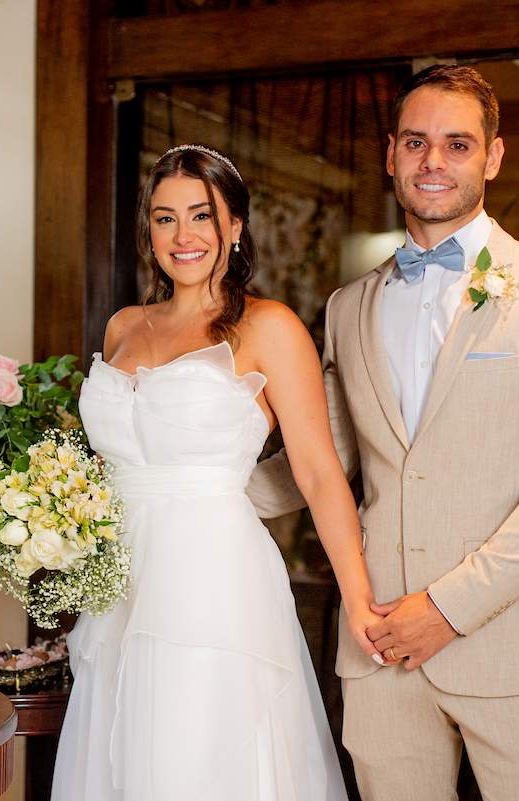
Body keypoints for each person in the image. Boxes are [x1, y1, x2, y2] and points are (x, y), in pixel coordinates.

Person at [247, 65, 519, 801]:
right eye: (416, 142)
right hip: (378, 646)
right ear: (390, 153)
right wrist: (190, 492)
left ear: (493, 156)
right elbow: (324, 455)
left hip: (513, 653)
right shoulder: (347, 306)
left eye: (457, 144)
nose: (433, 161)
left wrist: (447, 609)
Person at [51, 143, 378, 801]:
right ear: (149, 229)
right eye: (165, 217)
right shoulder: (121, 326)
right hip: (117, 584)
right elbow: (104, 466)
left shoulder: (269, 326)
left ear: (234, 226)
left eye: (201, 215)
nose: (183, 235)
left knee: (194, 762)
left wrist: (360, 603)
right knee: (113, 763)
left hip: (212, 584)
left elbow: (317, 471)